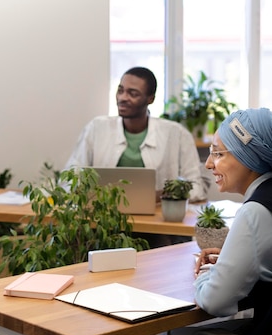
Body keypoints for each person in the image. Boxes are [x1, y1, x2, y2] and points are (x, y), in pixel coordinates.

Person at [162, 108, 272, 335]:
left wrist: (209, 273)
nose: (208, 164)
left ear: (248, 156)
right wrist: (231, 260)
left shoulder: (255, 211)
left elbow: (214, 302)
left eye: (217, 154)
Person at [65, 66, 208, 247]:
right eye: (120, 90)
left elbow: (196, 188)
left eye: (133, 93)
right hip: (103, 222)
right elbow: (70, 178)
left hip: (156, 226)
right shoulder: (96, 128)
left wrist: (160, 195)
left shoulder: (176, 134)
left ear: (150, 99)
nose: (123, 98)